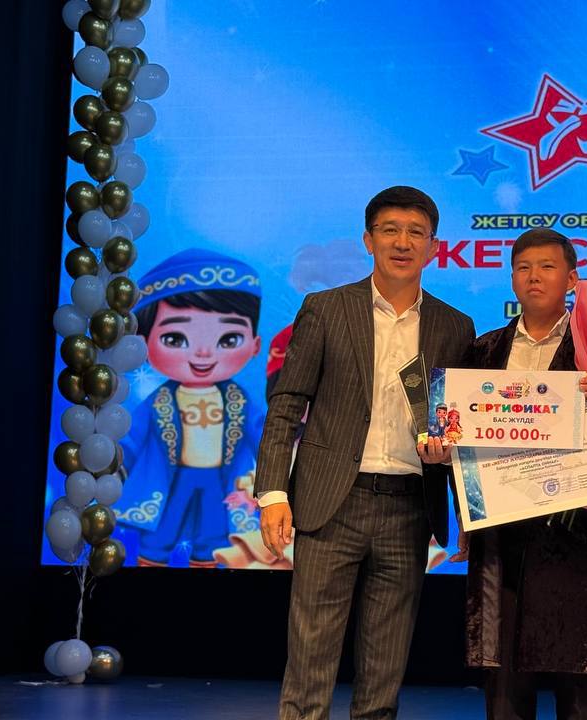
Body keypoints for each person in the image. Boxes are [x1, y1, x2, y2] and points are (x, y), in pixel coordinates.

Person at [253, 186, 474, 720]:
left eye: (416, 233)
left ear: (434, 248)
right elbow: (286, 405)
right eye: (390, 230)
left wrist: (469, 509)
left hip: (409, 508)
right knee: (310, 659)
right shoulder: (326, 309)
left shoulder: (455, 326)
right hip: (332, 502)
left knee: (385, 667)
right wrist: (273, 493)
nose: (403, 242)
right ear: (369, 240)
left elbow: (460, 426)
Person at [455, 228, 587, 719]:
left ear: (571, 279)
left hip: (573, 536)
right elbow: (462, 440)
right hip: (500, 533)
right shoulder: (483, 350)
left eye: (547, 267)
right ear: (512, 280)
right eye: (523, 268)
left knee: (575, 686)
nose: (534, 277)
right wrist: (464, 510)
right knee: (503, 686)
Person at [112, 248, 265, 567]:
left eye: (228, 339)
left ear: (255, 345)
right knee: (159, 535)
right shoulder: (159, 400)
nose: (203, 354)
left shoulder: (239, 400)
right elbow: (132, 438)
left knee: (215, 537)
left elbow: (262, 435)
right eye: (175, 339)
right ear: (144, 344)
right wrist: (113, 466)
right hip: (170, 479)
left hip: (220, 481)